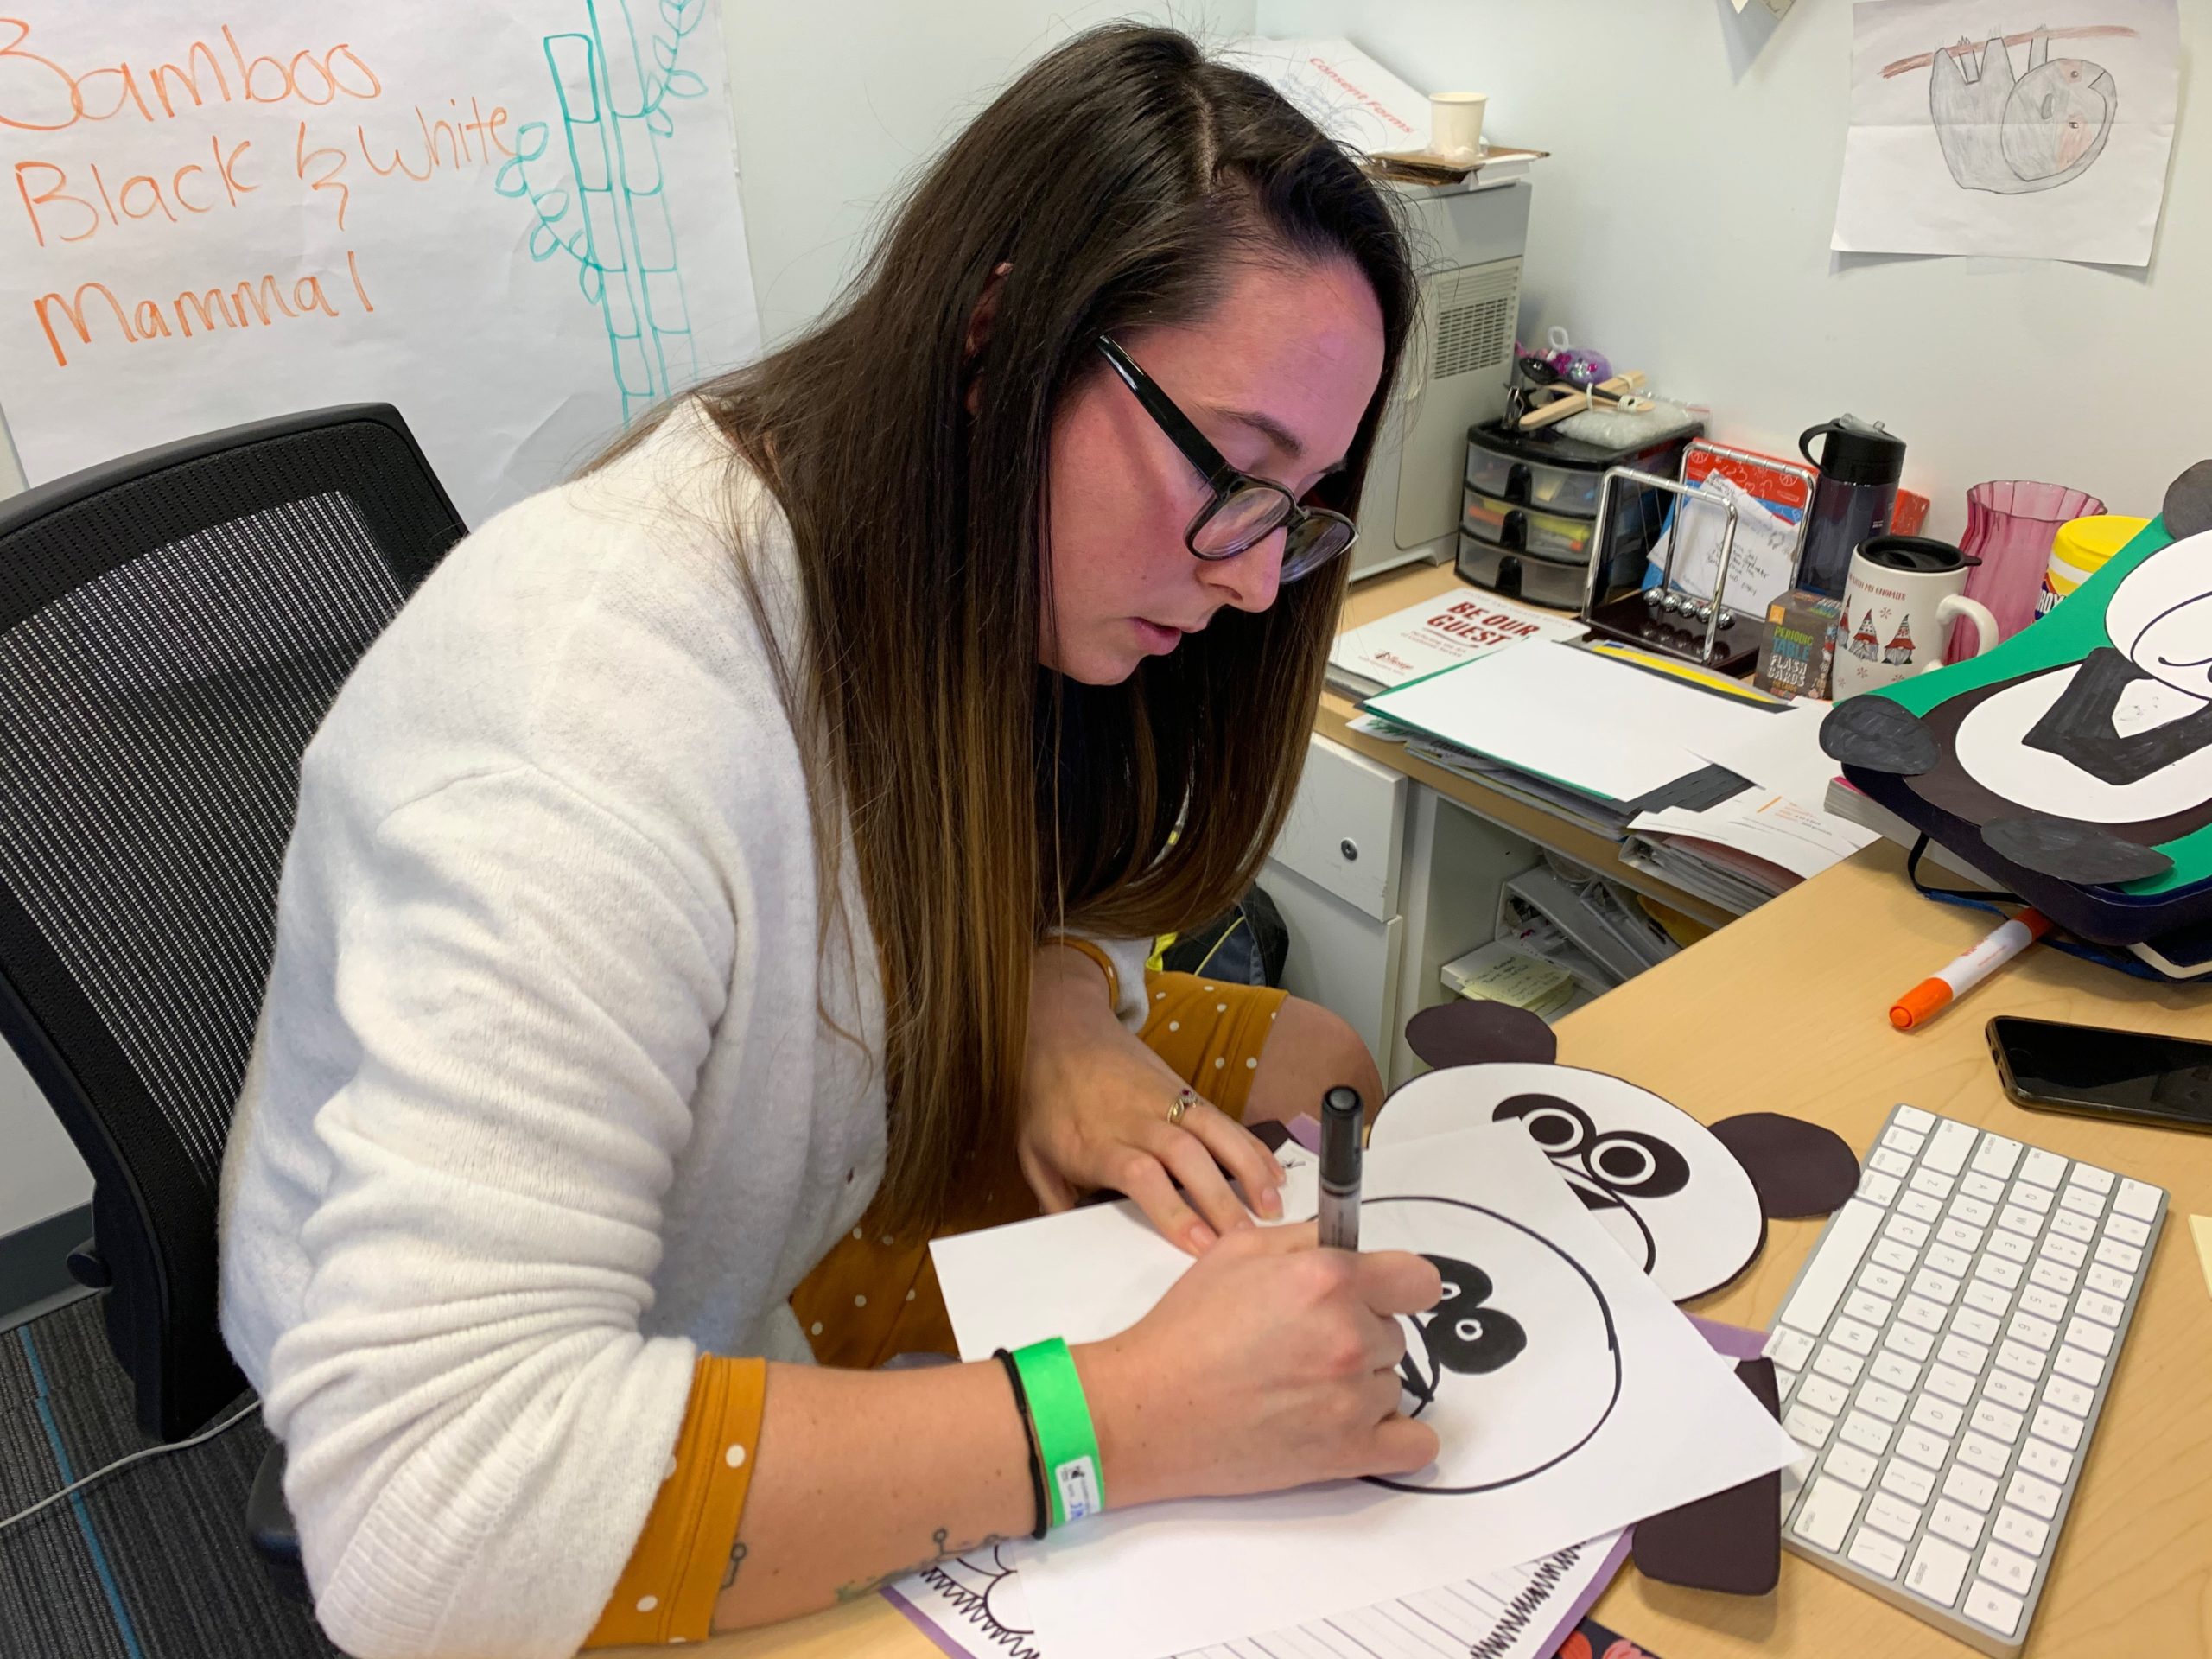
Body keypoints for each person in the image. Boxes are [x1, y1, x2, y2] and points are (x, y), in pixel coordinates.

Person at [217, 24, 1442, 1657]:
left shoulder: (948, 557)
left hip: (808, 1167)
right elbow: (427, 1520)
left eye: (1295, 515)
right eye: (1233, 471)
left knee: (1316, 1059)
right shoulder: (580, 716)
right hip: (519, 1406)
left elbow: (975, 882)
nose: (1241, 580)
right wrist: (1126, 1419)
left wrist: (1053, 1001)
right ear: (998, 337)